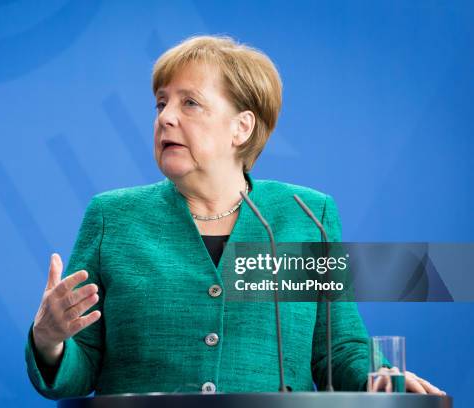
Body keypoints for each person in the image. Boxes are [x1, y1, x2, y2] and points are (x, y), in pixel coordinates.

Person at [25, 35, 445, 399]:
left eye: (190, 103)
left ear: (241, 128)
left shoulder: (306, 215)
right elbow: (81, 367)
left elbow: (337, 348)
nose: (166, 117)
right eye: (161, 104)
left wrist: (383, 377)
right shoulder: (112, 218)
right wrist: (49, 341)